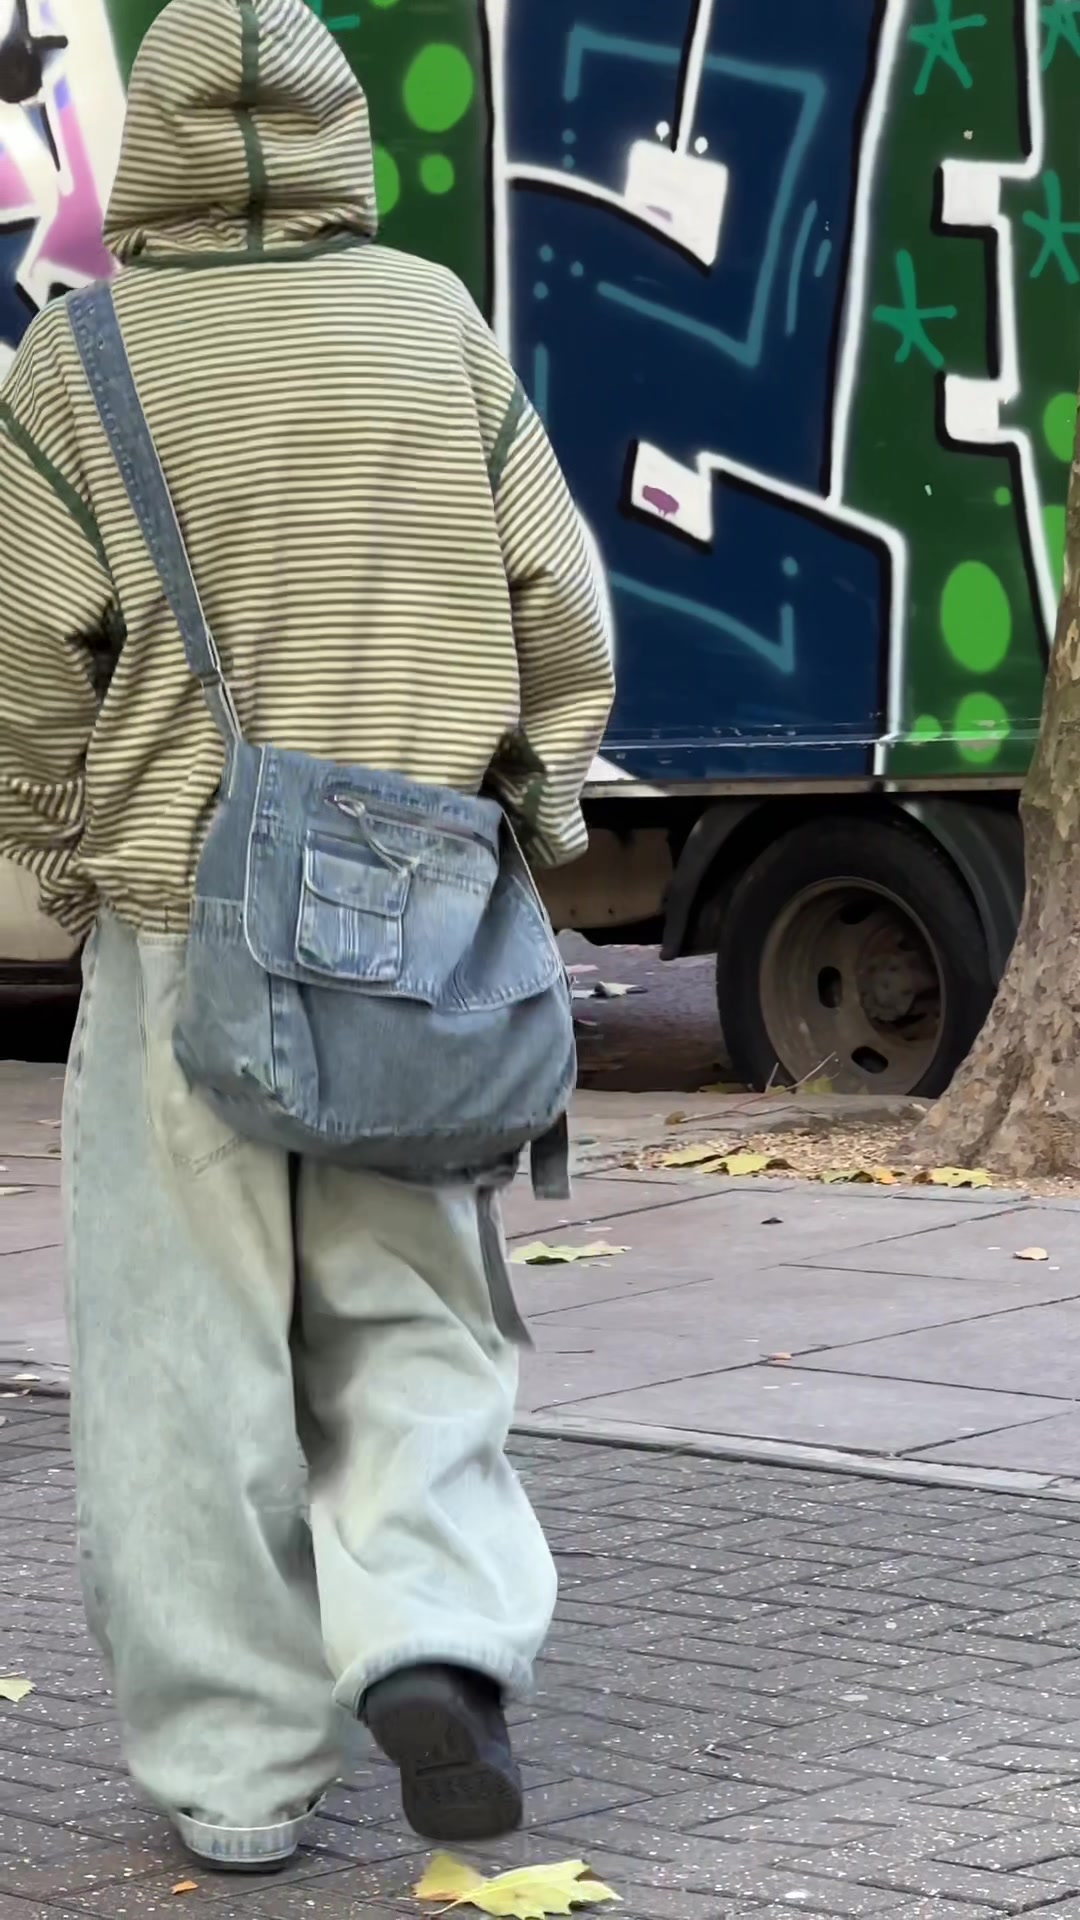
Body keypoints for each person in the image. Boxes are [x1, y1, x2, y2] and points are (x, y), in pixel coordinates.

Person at [0, 0, 613, 1873]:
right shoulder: (436, 323)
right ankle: (433, 1639)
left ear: (157, 144)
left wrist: (60, 854)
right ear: (344, 133)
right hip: (417, 923)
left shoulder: (78, 356)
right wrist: (534, 811)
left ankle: (239, 1780)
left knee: (183, 1361)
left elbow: (26, 663)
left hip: (182, 925)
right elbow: (559, 602)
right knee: (417, 1299)